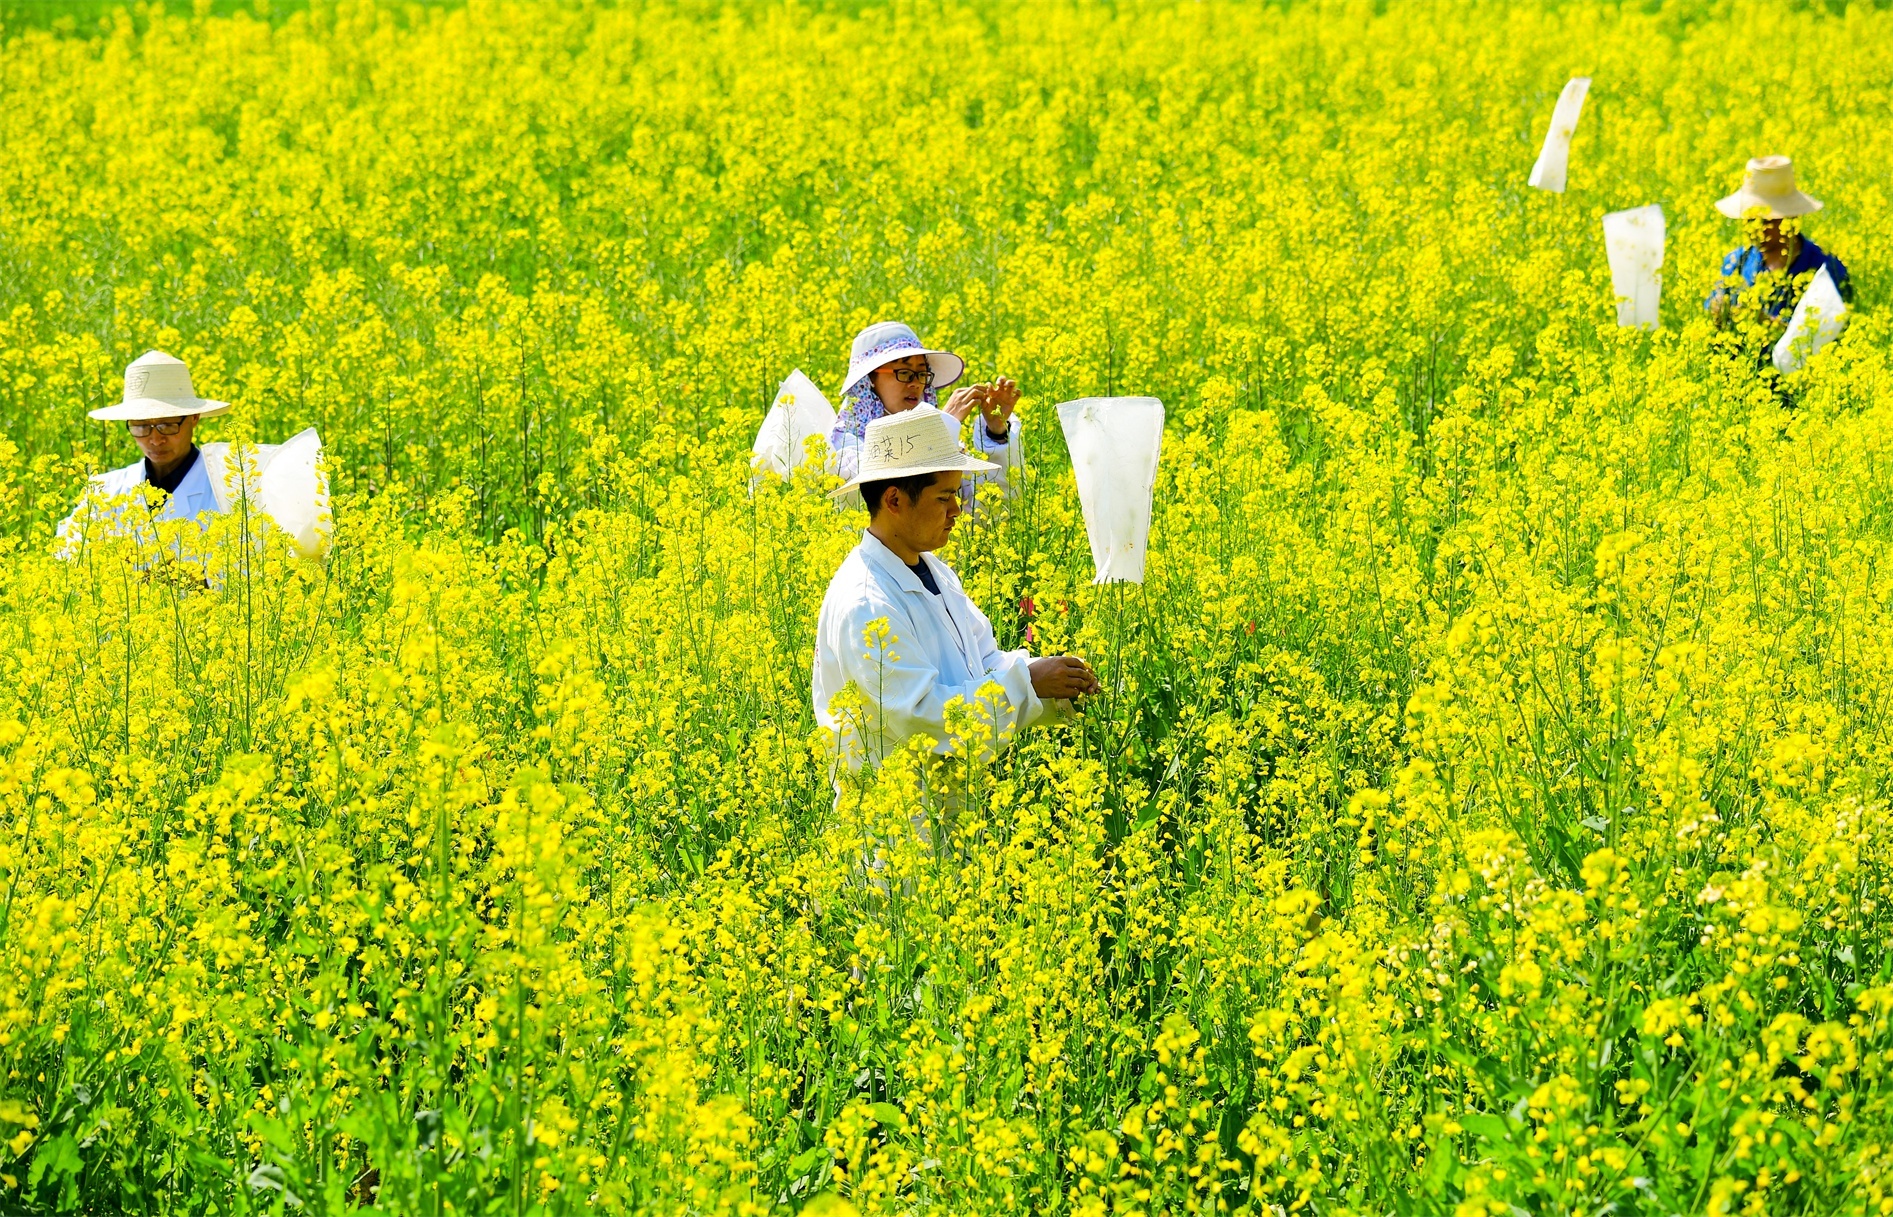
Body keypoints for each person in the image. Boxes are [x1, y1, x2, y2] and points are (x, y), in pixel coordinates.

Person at [813, 407, 1099, 773]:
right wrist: (1028, 682)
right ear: (895, 501)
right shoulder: (867, 603)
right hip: (899, 816)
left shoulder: (934, 572)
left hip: (955, 803)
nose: (957, 510)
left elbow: (983, 664)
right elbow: (919, 717)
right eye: (943, 497)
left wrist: (1056, 680)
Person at [829, 321, 1023, 502]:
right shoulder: (845, 446)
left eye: (922, 373)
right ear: (869, 379)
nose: (915, 383)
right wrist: (939, 426)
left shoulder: (951, 440)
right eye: (904, 373)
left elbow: (987, 513)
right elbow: (894, 496)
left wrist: (996, 433)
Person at [63, 350, 229, 535]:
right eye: (141, 427)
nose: (156, 440)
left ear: (194, 417)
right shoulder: (105, 491)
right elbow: (68, 553)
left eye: (167, 425)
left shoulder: (229, 491)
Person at [1706, 156, 1851, 324]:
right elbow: (1713, 311)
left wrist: (1767, 323)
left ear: (1792, 217)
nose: (1756, 229)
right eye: (1750, 219)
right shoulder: (1736, 262)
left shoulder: (1826, 268)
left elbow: (1834, 331)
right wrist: (1717, 311)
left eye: (1766, 221)